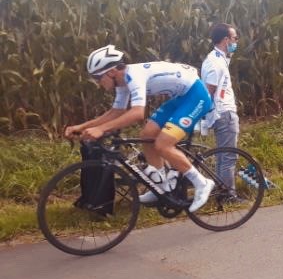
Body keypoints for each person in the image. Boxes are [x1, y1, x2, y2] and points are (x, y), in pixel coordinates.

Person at [64, 45, 215, 212]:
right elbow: (116, 112)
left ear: (112, 71)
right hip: (180, 97)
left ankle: (202, 183)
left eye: (98, 77)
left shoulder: (134, 76)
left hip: (196, 96)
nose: (97, 82)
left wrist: (101, 129)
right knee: (147, 135)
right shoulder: (121, 83)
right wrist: (82, 126)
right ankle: (162, 188)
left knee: (163, 144)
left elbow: (137, 113)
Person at [201, 23, 241, 200]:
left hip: (221, 113)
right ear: (226, 40)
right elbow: (209, 89)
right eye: (234, 38)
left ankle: (221, 191)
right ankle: (228, 194)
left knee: (222, 155)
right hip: (224, 114)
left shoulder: (218, 58)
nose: (236, 42)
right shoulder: (215, 62)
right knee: (228, 157)